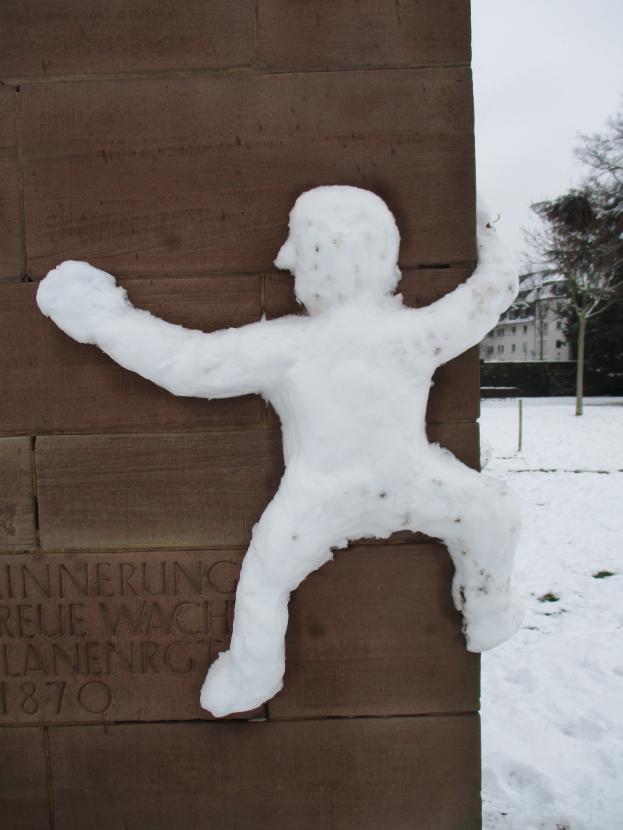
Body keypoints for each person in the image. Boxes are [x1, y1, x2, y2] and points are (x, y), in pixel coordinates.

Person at [37, 185, 524, 717]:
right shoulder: (416, 332)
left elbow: (189, 364)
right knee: (491, 511)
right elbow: (489, 296)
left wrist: (106, 320)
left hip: (326, 496)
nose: (282, 259)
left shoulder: (295, 346)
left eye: (296, 248)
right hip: (407, 483)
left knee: (265, 582)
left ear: (323, 260)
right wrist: (488, 235)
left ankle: (253, 674)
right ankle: (489, 608)